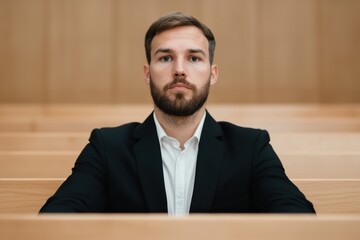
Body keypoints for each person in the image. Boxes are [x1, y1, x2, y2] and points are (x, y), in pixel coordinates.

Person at [40, 12, 315, 215]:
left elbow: (298, 219)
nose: (180, 69)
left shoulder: (250, 147)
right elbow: (56, 219)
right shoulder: (106, 148)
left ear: (212, 73)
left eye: (194, 58)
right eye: (166, 58)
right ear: (147, 74)